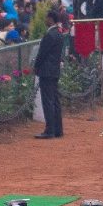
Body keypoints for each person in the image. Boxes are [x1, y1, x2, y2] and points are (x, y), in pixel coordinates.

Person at [33, 9, 67, 139]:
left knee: (48, 101)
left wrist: (36, 66)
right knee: (55, 100)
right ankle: (58, 129)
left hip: (46, 71)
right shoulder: (59, 34)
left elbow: (42, 54)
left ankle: (50, 130)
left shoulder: (50, 35)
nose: (45, 20)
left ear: (51, 19)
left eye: (47, 18)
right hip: (54, 70)